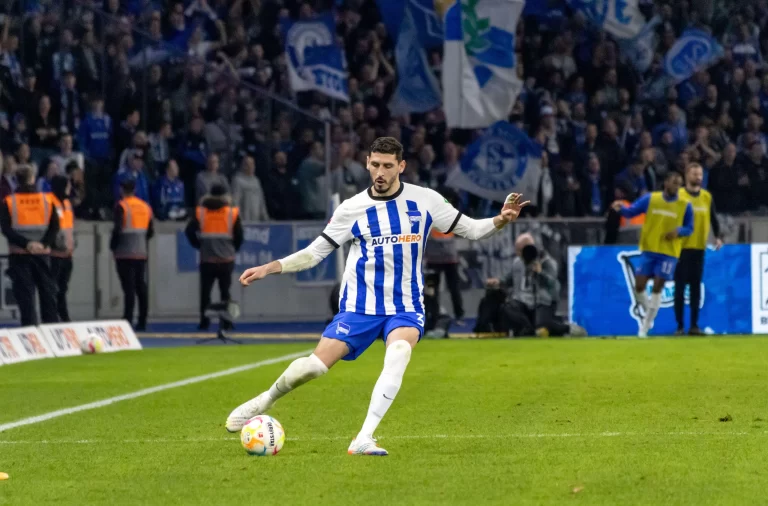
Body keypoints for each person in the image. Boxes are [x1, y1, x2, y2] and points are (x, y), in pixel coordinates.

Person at [225, 137, 529, 455]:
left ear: (401, 166)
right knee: (313, 368)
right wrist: (269, 268)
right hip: (360, 307)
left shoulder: (425, 200)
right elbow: (315, 253)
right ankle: (265, 400)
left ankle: (363, 437)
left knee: (399, 353)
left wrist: (500, 219)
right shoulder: (352, 209)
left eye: (387, 166)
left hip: (405, 306)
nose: (380, 172)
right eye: (375, 165)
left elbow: (471, 229)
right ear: (367, 162)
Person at [612, 171, 694, 337]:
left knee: (658, 286)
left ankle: (644, 326)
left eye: (679, 184)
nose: (676, 187)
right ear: (666, 183)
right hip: (649, 249)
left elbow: (690, 228)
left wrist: (678, 231)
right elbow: (631, 211)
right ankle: (650, 313)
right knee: (639, 285)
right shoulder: (651, 199)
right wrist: (620, 208)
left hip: (669, 253)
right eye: (674, 183)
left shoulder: (685, 205)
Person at [0, 164, 60, 325]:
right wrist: (43, 243)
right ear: (32, 179)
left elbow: (6, 229)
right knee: (48, 295)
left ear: (17, 181)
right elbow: (55, 226)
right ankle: (52, 333)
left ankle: (31, 334)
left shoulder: (9, 202)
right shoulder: (47, 200)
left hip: (19, 255)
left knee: (26, 299)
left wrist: (27, 244)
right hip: (42, 254)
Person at [185, 184, 244, 330]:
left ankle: (204, 322)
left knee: (205, 292)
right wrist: (232, 249)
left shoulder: (201, 212)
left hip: (207, 259)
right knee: (225, 292)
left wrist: (199, 245)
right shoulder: (231, 213)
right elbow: (239, 235)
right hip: (226, 259)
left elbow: (189, 231)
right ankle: (227, 322)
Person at [674, 163, 724, 335]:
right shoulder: (679, 195)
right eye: (695, 174)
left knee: (696, 288)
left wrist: (718, 236)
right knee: (679, 288)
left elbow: (713, 218)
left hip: (699, 248)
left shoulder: (706, 197)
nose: (699, 178)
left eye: (700, 175)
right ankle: (680, 326)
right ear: (687, 175)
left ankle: (694, 325)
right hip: (680, 248)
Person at [110, 178, 154, 331]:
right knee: (140, 286)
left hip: (124, 252)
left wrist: (113, 247)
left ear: (122, 190)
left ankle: (128, 318)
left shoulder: (122, 206)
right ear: (135, 190)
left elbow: (117, 229)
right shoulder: (145, 207)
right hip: (141, 252)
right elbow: (150, 231)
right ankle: (143, 320)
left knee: (128, 288)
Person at [49, 175, 75, 322]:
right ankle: (55, 317)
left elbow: (69, 227)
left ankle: (63, 317)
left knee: (63, 288)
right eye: (67, 185)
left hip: (67, 254)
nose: (69, 188)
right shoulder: (50, 202)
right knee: (53, 288)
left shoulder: (67, 204)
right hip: (54, 254)